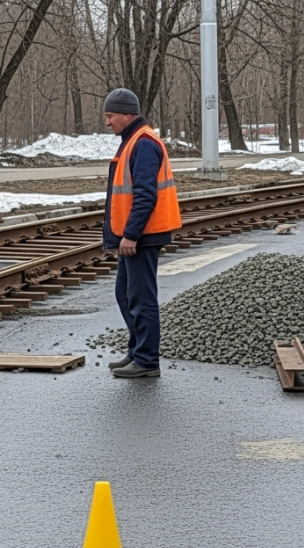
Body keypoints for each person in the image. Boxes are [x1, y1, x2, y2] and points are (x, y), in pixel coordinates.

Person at [101, 88, 183, 378]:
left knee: (141, 297)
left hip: (143, 235)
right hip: (135, 234)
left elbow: (145, 195)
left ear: (126, 114)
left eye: (110, 116)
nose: (107, 122)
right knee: (125, 293)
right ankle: (137, 352)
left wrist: (132, 234)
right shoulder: (132, 140)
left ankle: (147, 360)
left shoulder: (144, 143)